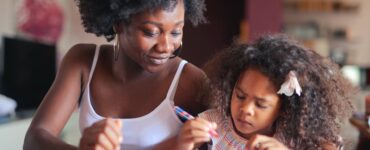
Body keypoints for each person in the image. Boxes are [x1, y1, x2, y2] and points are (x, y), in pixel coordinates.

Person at [24, 0, 209, 149]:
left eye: (176, 31)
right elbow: (35, 138)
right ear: (118, 23)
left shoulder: (191, 82)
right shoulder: (83, 62)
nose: (166, 47)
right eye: (151, 32)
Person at [176, 34, 355, 150]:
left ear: (284, 108)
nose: (246, 109)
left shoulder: (295, 138)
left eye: (261, 104)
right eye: (240, 96)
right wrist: (184, 144)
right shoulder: (213, 124)